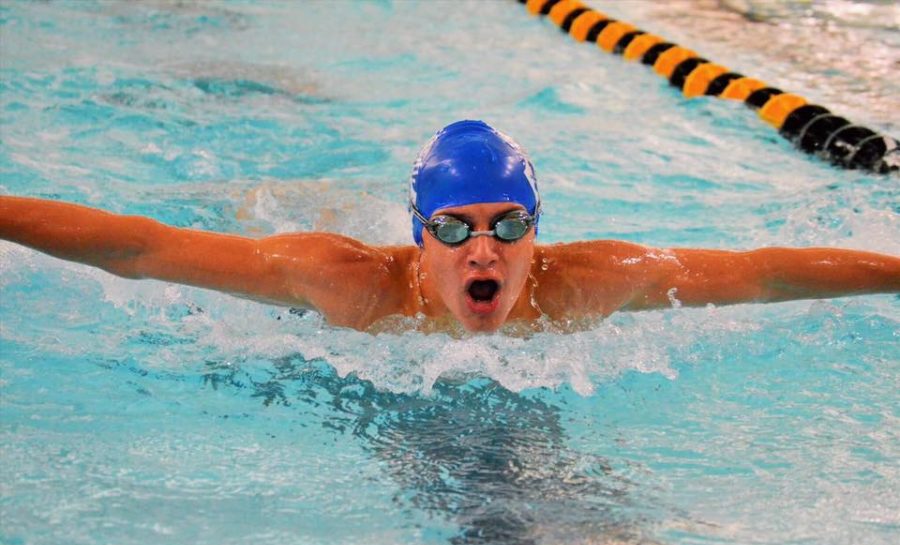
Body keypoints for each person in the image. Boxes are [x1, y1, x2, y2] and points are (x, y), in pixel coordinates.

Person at [1, 120, 898, 333]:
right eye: (455, 227)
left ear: (539, 232)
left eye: (510, 227)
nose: (484, 248)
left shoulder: (591, 283)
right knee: (270, 220)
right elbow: (136, 246)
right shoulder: (346, 281)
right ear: (420, 235)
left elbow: (769, 272)